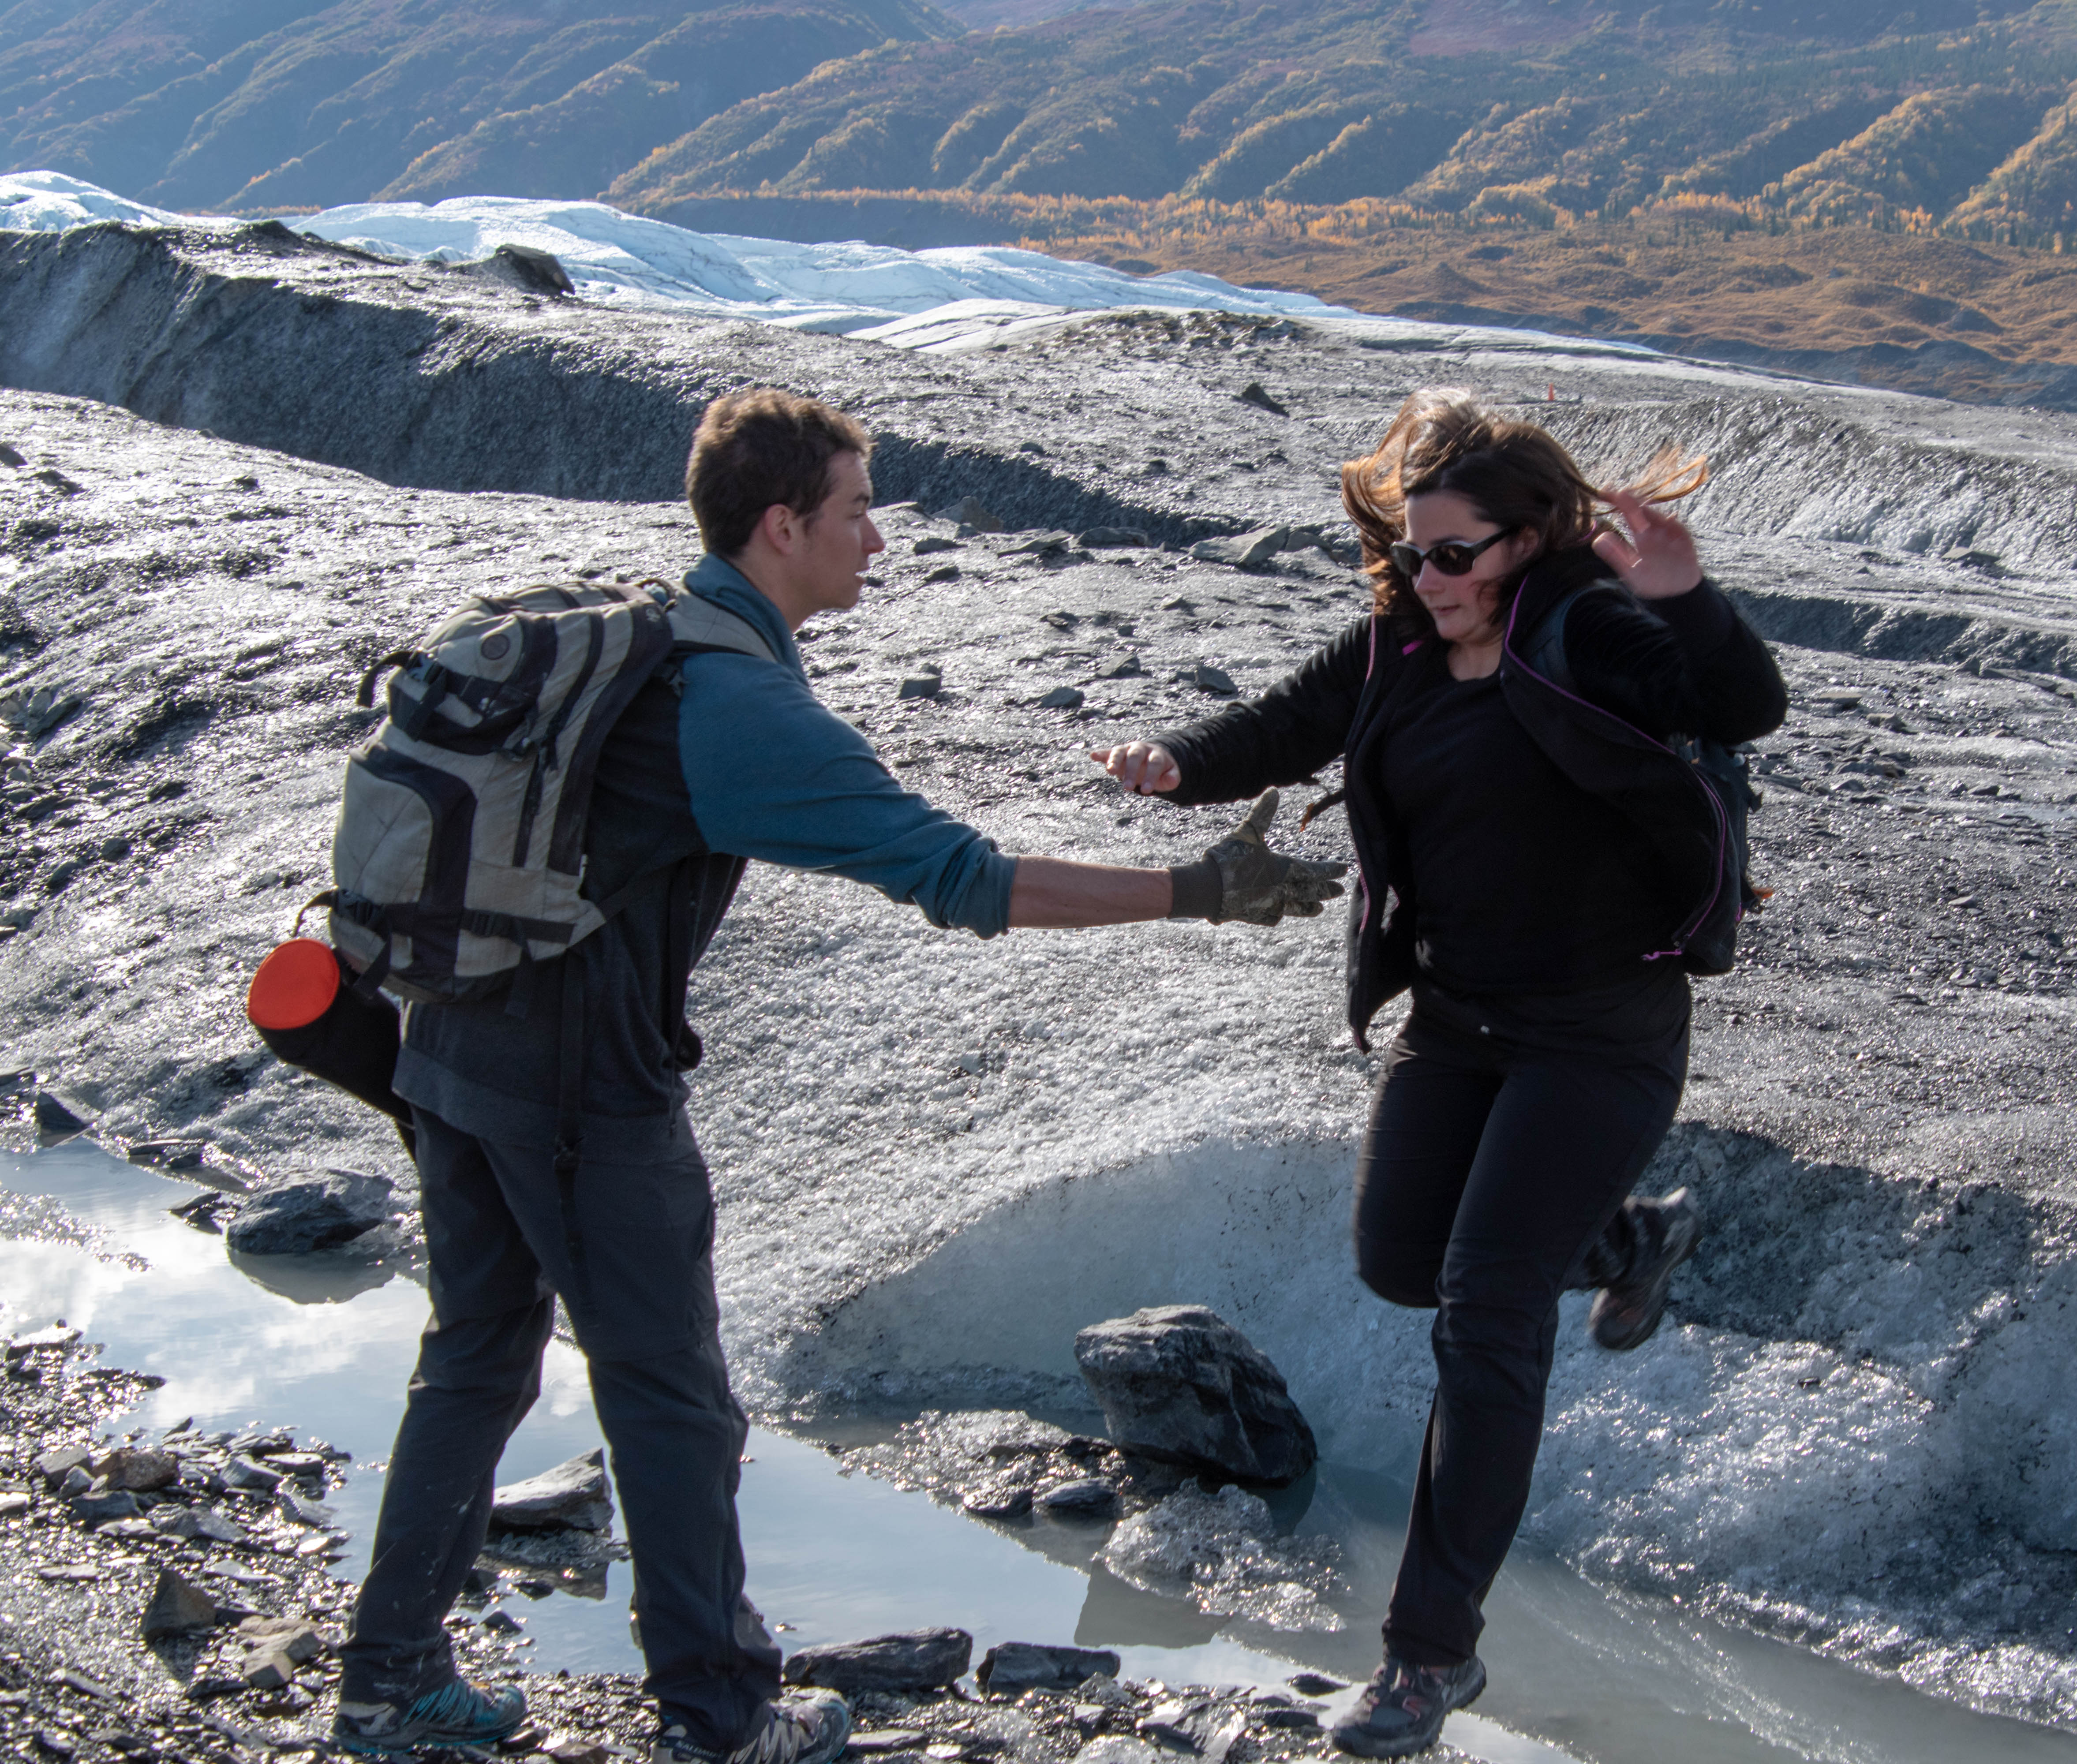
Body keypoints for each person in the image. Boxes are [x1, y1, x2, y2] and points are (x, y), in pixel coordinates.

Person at [332, 387, 1343, 1764]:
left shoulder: (653, 630)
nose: (878, 537)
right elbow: (966, 881)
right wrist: (1200, 890)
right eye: (858, 510)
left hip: (453, 1042)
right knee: (674, 1396)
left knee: (475, 1358)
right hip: (581, 1090)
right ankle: (719, 1715)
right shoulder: (734, 703)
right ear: (781, 525)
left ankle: (391, 1681)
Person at [1095, 389, 1787, 1758]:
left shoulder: (1592, 628)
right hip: (1457, 1020)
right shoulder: (1397, 645)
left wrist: (1688, 599)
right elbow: (1284, 725)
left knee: (1486, 1311)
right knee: (1402, 1259)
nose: (1428, 576)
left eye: (1455, 555)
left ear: (1528, 542)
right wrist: (1176, 764)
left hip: (1599, 1031)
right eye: (1413, 553)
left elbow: (1741, 705)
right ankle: (1629, 1241)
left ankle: (1427, 1656)